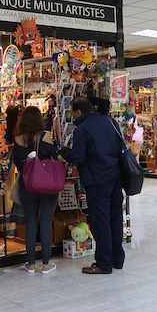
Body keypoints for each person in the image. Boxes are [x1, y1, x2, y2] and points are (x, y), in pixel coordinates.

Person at [60, 97, 124, 274]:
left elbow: (78, 157)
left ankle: (103, 263)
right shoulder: (110, 122)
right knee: (115, 218)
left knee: (100, 222)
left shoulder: (82, 129)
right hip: (116, 177)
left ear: (78, 112)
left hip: (97, 180)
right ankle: (117, 259)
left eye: (72, 112)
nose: (72, 115)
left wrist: (64, 152)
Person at [12, 106, 59, 274]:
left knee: (31, 222)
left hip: (28, 185)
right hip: (47, 186)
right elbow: (55, 156)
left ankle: (31, 264)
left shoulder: (17, 139)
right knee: (45, 222)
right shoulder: (46, 136)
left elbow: (18, 163)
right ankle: (46, 264)